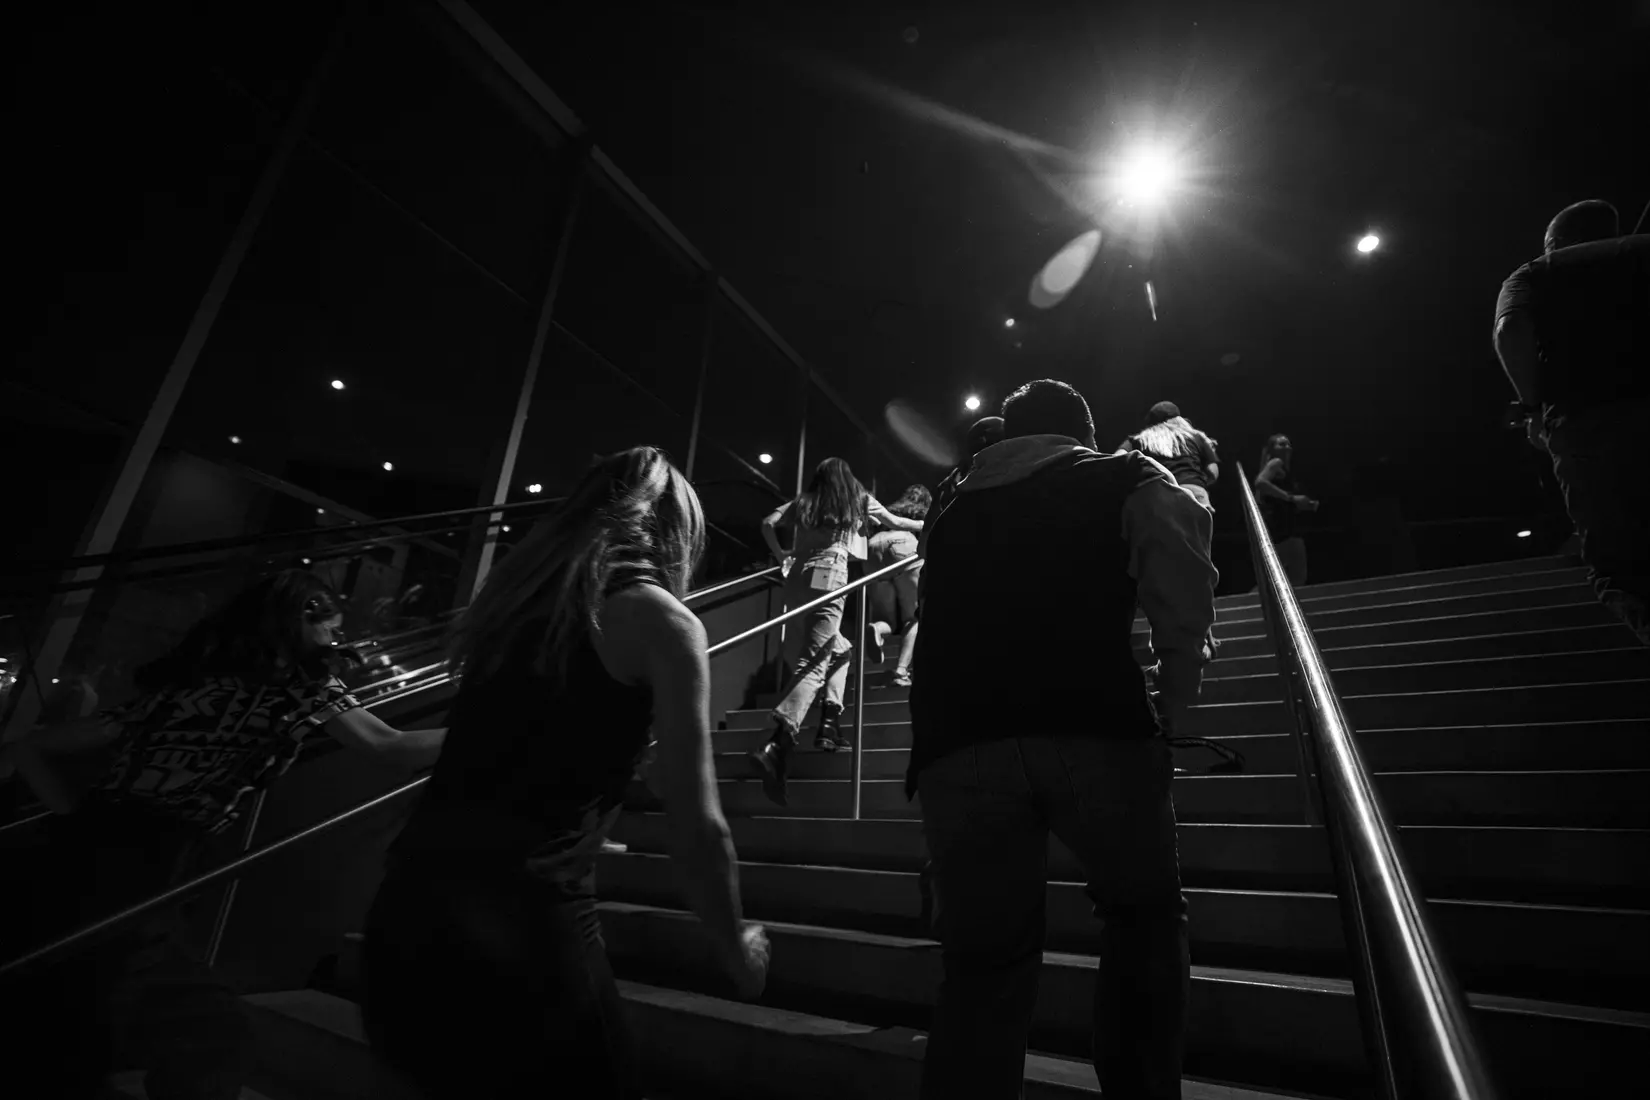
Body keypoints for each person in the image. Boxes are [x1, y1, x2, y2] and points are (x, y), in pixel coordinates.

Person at [360, 447, 768, 1099]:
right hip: (523, 927)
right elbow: (700, 829)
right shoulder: (660, 618)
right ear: (674, 533)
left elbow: (502, 741)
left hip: (405, 913)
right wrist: (734, 946)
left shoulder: (511, 613)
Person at [0, 569, 445, 1100]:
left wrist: (77, 817)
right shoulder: (299, 688)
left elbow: (32, 746)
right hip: (156, 853)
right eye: (329, 620)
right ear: (302, 618)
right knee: (206, 1033)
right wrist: (491, 724)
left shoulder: (187, 682)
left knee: (74, 1008)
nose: (336, 632)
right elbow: (389, 748)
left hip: (86, 847)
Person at [909, 379, 1216, 1100]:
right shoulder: (1124, 474)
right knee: (1142, 917)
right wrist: (1175, 709)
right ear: (1083, 430)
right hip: (1092, 721)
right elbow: (1182, 599)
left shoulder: (951, 503)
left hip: (959, 741)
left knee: (983, 965)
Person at [1493, 199, 1649, 644]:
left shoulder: (1535, 272)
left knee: (1621, 570)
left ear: (1556, 242)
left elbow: (1510, 331)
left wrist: (1532, 407)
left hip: (1588, 423)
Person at [746, 458, 923, 805]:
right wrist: (928, 522)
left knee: (842, 649)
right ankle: (778, 740)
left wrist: (782, 552)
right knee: (816, 659)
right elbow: (897, 521)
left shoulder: (805, 500)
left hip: (796, 576)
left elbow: (768, 522)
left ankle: (829, 723)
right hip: (829, 572)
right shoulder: (856, 497)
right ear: (848, 477)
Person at [867, 484, 931, 687]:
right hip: (903, 546)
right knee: (915, 616)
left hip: (873, 546)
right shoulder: (924, 513)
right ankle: (900, 672)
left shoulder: (891, 509)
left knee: (886, 619)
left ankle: (877, 629)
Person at [1119, 401, 1220, 510]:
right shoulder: (1196, 437)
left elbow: (1118, 458)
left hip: (1158, 493)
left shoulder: (1140, 439)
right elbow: (1213, 472)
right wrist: (1198, 482)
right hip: (1194, 491)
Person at [1252, 433, 1318, 586]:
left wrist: (1302, 503)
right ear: (1272, 449)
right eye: (1281, 444)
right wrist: (1292, 498)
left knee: (1278, 578)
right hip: (1284, 530)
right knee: (1296, 577)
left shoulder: (1282, 470)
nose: (1287, 447)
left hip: (1284, 529)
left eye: (1288, 444)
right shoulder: (1276, 463)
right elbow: (1260, 482)